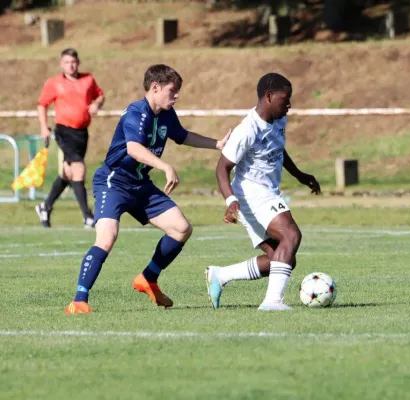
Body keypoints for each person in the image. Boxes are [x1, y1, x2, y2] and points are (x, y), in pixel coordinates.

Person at [65, 64, 231, 314]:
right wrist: (165, 166)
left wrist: (217, 144)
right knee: (107, 236)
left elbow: (183, 136)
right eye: (172, 91)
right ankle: (79, 300)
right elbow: (133, 148)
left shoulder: (166, 114)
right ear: (155, 87)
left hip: (140, 185)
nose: (176, 96)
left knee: (181, 229)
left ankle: (148, 278)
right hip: (114, 181)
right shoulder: (136, 112)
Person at [206, 72, 321, 311]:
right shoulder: (247, 129)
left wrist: (300, 175)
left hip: (264, 193)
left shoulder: (278, 119)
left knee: (282, 257)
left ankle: (220, 275)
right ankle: (272, 302)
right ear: (269, 96)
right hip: (252, 194)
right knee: (291, 236)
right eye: (285, 98)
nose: (289, 104)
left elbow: (278, 149)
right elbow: (222, 168)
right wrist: (230, 200)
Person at [35, 48, 105, 229]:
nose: (70, 65)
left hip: (82, 133)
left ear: (78, 62)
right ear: (61, 64)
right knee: (79, 169)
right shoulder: (54, 83)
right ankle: (87, 216)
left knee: (68, 173)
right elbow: (42, 104)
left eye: (73, 62)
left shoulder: (88, 79)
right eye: (66, 62)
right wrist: (44, 126)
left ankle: (45, 206)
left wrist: (97, 104)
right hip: (64, 131)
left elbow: (100, 95)